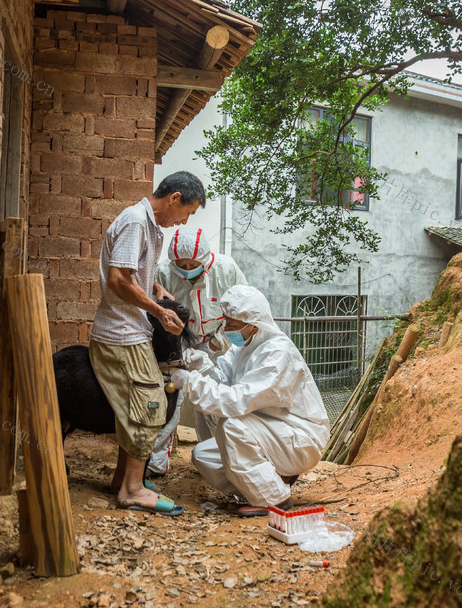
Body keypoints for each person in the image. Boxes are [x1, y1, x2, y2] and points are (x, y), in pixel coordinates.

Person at [88, 171, 205, 516]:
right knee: (151, 405)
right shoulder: (136, 221)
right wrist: (157, 311)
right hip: (121, 334)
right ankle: (132, 490)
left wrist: (155, 288)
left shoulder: (149, 226)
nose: (183, 220)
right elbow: (119, 279)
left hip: (131, 329)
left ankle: (124, 478)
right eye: (187, 212)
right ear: (174, 198)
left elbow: (133, 271)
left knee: (138, 406)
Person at [169, 285, 330, 516]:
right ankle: (263, 484)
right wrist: (202, 366)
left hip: (299, 438)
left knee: (232, 425)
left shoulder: (276, 353)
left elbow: (235, 401)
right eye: (226, 322)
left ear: (253, 323)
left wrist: (191, 382)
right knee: (203, 455)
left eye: (233, 325)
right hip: (270, 431)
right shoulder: (245, 346)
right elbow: (224, 380)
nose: (227, 329)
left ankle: (273, 498)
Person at [147, 228, 248, 475]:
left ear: (205, 258)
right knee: (170, 400)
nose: (186, 267)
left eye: (192, 263)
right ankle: (156, 464)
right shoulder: (163, 272)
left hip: (216, 345)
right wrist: (177, 349)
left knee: (212, 401)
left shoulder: (226, 269)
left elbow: (244, 309)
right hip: (178, 345)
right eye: (181, 263)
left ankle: (215, 460)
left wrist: (217, 344)